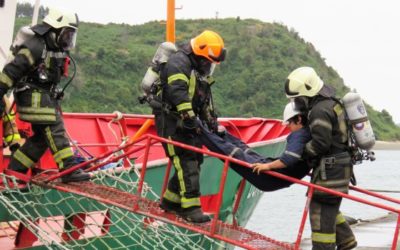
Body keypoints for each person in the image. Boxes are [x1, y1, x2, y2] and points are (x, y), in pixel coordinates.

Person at [0, 9, 90, 183]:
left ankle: (14, 169)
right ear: (54, 30)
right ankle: (68, 168)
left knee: (41, 139)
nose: (68, 39)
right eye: (66, 34)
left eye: (71, 35)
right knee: (54, 127)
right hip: (31, 98)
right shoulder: (35, 46)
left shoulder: (54, 47)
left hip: (43, 98)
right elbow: (10, 72)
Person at [155, 30, 226, 223]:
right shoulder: (179, 63)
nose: (209, 66)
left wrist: (211, 123)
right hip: (171, 124)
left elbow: (201, 101)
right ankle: (191, 209)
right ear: (200, 57)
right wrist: (188, 117)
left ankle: (170, 202)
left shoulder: (197, 71)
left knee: (196, 159)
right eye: (208, 62)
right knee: (186, 163)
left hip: (186, 124)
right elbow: (177, 92)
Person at [285, 67, 357, 250]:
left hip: (330, 173)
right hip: (340, 170)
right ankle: (346, 241)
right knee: (330, 208)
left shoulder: (318, 111)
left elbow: (320, 144)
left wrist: (301, 154)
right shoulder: (331, 103)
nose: (297, 103)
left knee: (319, 213)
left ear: (307, 93)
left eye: (298, 99)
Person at [197, 102, 311, 192]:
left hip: (270, 177)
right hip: (276, 175)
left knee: (236, 154)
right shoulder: (308, 133)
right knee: (245, 150)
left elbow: (288, 159)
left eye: (289, 123)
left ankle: (199, 129)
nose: (288, 128)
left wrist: (267, 166)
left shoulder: (300, 135)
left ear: (299, 119)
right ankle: (218, 131)